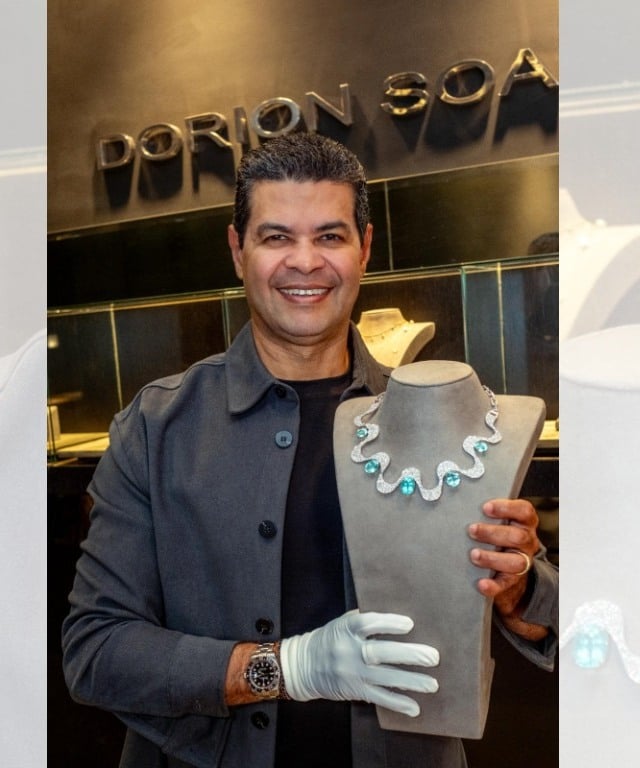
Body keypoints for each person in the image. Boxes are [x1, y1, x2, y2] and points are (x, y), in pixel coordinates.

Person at [62, 132, 558, 768]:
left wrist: (517, 590)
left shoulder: (451, 415)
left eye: (329, 236)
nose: (305, 262)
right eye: (277, 237)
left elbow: (550, 616)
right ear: (238, 250)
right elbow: (97, 652)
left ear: (364, 248)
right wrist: (286, 668)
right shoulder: (155, 429)